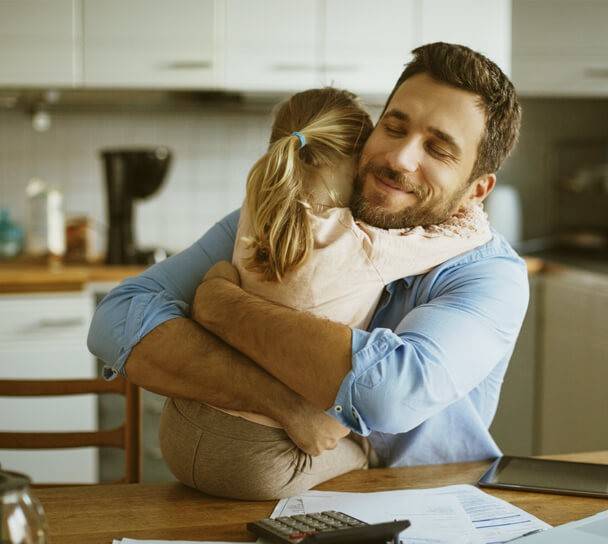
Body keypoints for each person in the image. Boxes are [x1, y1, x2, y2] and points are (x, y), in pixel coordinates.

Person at [87, 43, 527, 490]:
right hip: (277, 506)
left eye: (438, 149)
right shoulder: (292, 215)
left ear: (477, 190)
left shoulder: (491, 275)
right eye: (394, 128)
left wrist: (222, 305)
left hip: (427, 506)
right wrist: (283, 404)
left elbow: (389, 394)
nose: (400, 159)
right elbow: (115, 321)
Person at [156, 87, 491, 499]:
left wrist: (216, 292)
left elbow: (218, 274)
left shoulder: (257, 208)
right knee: (363, 449)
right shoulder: (365, 244)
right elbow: (467, 232)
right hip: (263, 458)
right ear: (356, 160)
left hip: (179, 429)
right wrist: (468, 196)